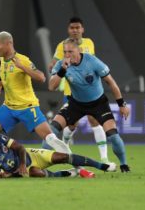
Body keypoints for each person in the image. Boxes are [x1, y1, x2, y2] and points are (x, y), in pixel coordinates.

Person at [0, 31, 74, 178]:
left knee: (50, 138)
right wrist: (0, 84)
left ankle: (78, 166)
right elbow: (11, 76)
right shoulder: (3, 60)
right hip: (9, 108)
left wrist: (22, 67)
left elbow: (41, 77)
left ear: (8, 44)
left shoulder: (22, 60)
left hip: (27, 107)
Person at [48, 38, 130, 172]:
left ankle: (124, 165)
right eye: (65, 52)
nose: (67, 55)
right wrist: (62, 70)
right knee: (51, 131)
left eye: (70, 51)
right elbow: (52, 86)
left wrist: (122, 104)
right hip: (76, 104)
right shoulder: (60, 65)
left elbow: (111, 82)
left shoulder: (92, 61)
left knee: (114, 136)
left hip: (99, 104)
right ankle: (39, 165)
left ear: (79, 50)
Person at [47, 17, 110, 163]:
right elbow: (54, 63)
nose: (75, 30)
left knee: (94, 120)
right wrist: (53, 65)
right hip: (72, 91)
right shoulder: (62, 46)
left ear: (82, 29)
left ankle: (104, 158)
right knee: (71, 125)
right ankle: (66, 146)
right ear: (68, 30)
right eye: (72, 28)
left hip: (90, 90)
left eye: (77, 28)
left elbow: (91, 63)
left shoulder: (89, 43)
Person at [0, 132, 116, 178]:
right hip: (24, 171)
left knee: (63, 157)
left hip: (31, 155)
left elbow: (19, 147)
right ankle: (71, 173)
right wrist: (12, 174)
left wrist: (23, 163)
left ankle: (102, 166)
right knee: (39, 174)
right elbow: (4, 175)